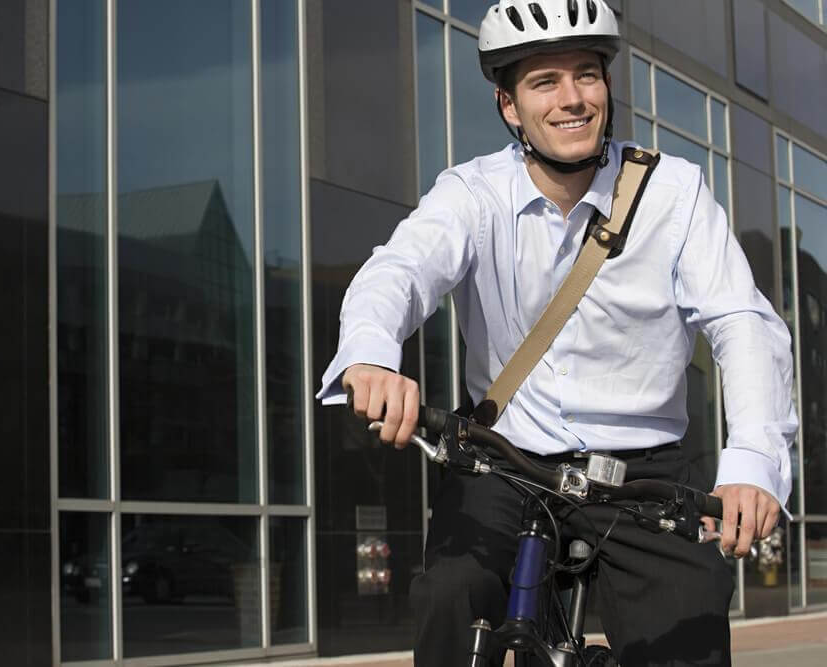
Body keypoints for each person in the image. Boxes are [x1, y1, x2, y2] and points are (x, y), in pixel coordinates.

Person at [316, 0, 797, 665]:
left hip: (644, 472)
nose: (572, 98)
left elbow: (741, 321)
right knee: (450, 597)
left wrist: (753, 463)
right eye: (545, 82)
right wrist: (370, 357)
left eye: (587, 74)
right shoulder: (472, 193)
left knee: (688, 635)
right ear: (509, 106)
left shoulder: (674, 192)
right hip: (503, 461)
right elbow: (398, 271)